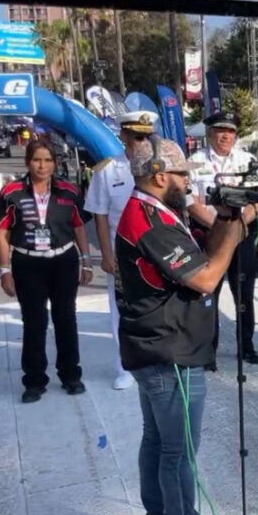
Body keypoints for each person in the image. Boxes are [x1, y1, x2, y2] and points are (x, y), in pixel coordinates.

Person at [115, 137, 250, 515]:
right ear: (158, 175)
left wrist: (227, 218)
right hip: (167, 350)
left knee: (158, 441)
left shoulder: (156, 212)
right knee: (178, 452)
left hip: (161, 345)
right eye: (180, 175)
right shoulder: (148, 221)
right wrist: (240, 226)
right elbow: (207, 278)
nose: (186, 183)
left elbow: (202, 255)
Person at [0, 140, 93, 403]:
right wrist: (4, 270)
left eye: (48, 160)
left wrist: (86, 260)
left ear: (55, 163)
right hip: (28, 264)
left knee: (65, 318)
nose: (42, 165)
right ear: (28, 161)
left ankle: (71, 375)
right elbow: (2, 232)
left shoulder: (69, 191)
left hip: (63, 261)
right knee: (34, 322)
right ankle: (34, 381)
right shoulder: (11, 192)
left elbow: (79, 226)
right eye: (37, 159)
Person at [84, 110, 158, 391]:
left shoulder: (158, 166)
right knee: (121, 312)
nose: (140, 142)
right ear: (123, 135)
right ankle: (124, 366)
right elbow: (100, 215)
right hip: (121, 252)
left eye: (145, 136)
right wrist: (105, 254)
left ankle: (152, 359)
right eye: (135, 136)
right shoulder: (106, 170)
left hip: (153, 252)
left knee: (154, 309)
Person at [187, 111, 258, 366]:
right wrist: (220, 226)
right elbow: (190, 201)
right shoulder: (195, 161)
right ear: (210, 132)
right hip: (208, 235)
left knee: (244, 293)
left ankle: (246, 345)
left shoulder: (246, 160)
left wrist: (239, 225)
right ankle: (208, 350)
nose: (225, 136)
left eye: (231, 131)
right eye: (220, 130)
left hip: (242, 235)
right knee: (207, 293)